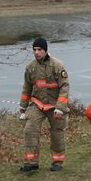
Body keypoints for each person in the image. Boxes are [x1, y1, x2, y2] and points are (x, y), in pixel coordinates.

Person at [19, 38, 70, 172]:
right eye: (34, 50)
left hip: (55, 106)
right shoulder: (30, 67)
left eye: (39, 50)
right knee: (30, 130)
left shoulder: (57, 66)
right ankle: (31, 163)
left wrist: (60, 108)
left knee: (56, 133)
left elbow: (65, 87)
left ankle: (57, 161)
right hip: (37, 104)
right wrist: (23, 107)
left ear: (46, 50)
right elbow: (26, 88)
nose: (36, 52)